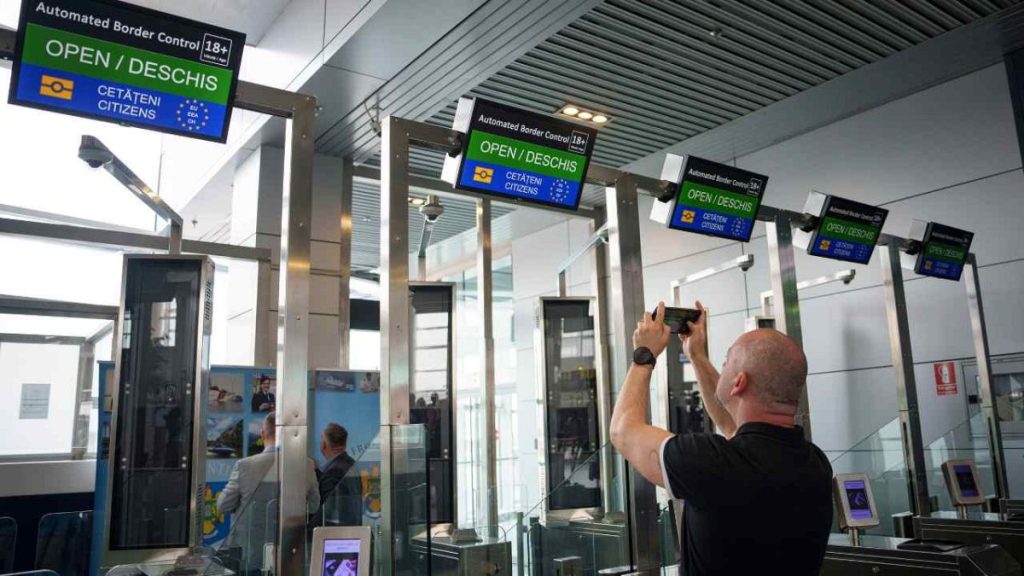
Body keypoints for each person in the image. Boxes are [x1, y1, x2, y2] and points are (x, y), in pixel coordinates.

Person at [609, 301, 832, 576]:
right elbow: (731, 425)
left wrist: (644, 355)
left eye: (726, 362)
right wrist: (697, 356)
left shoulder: (711, 463)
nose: (722, 367)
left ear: (738, 383)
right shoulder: (815, 464)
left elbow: (623, 430)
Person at [218, 412, 319, 575]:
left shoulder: (245, 465)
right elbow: (314, 506)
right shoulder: (307, 465)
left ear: (263, 434)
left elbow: (224, 505)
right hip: (292, 553)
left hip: (250, 555)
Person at [316, 423, 360, 526]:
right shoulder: (351, 464)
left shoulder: (334, 470)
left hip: (335, 533)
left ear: (324, 444)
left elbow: (326, 510)